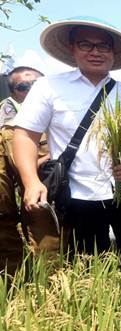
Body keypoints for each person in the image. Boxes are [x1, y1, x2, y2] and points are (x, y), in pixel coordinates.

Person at [12, 16, 121, 256]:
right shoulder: (48, 87)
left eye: (103, 46)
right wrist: (31, 181)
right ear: (72, 48)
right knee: (86, 262)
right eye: (86, 44)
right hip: (76, 196)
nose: (95, 52)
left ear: (113, 53)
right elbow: (25, 135)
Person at [0, 66, 45, 272]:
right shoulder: (8, 129)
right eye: (23, 87)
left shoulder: (67, 117)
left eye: (36, 85)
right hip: (32, 206)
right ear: (14, 95)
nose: (31, 90)